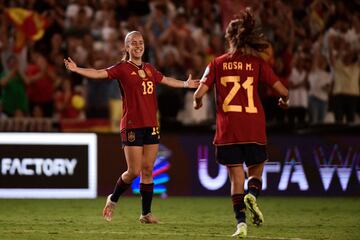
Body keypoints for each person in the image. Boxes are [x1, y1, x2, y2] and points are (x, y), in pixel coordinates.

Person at [64, 30, 199, 223]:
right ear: (127, 47)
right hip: (132, 125)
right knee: (133, 171)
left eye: (140, 42)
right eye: (133, 43)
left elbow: (167, 80)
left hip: (152, 125)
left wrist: (186, 84)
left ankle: (145, 214)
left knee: (147, 170)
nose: (138, 46)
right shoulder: (122, 68)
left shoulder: (150, 69)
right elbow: (99, 73)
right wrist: (78, 69)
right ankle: (113, 198)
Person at [193, 9, 289, 238]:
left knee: (236, 180)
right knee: (255, 172)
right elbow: (283, 91)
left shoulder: (216, 63)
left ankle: (241, 224)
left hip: (228, 130)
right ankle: (253, 195)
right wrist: (283, 100)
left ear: (228, 38)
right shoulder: (257, 63)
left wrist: (197, 103)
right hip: (253, 126)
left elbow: (200, 93)